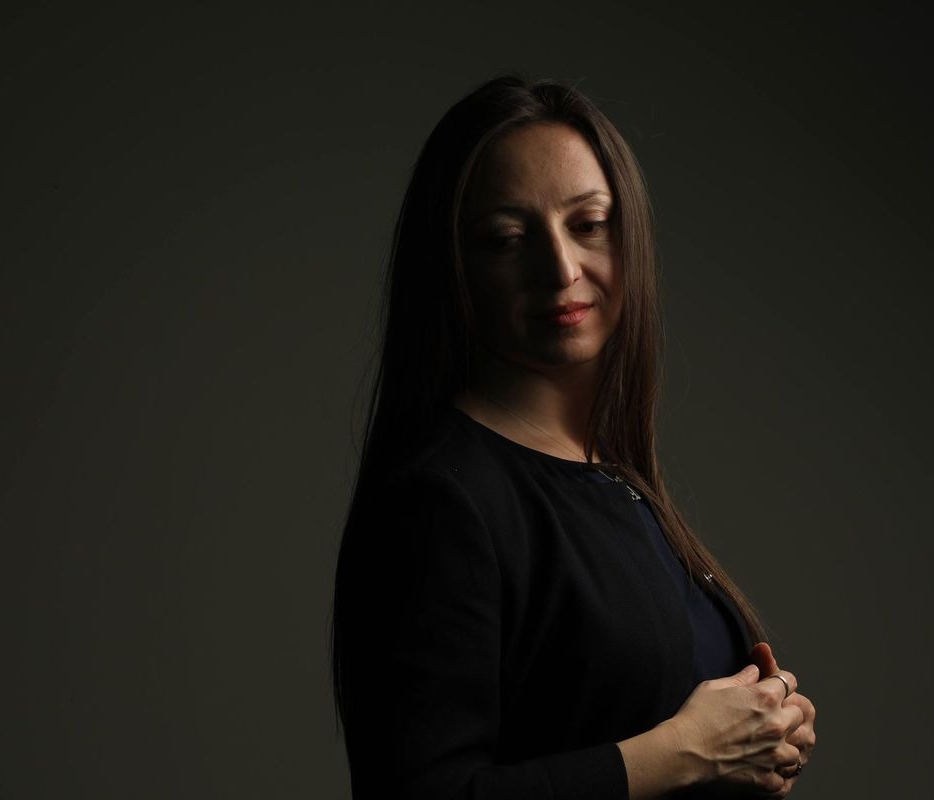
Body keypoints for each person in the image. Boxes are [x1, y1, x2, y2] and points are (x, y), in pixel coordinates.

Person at [329, 71, 818, 799]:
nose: (559, 268)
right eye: (507, 239)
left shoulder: (611, 476)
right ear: (456, 265)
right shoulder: (441, 499)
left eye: (588, 225)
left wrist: (763, 735)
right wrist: (687, 751)